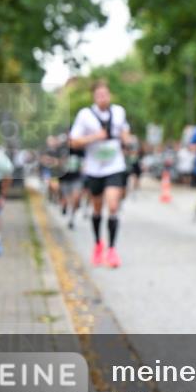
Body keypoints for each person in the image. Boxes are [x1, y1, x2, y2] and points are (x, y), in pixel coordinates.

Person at [69, 80, 132, 268]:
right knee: (97, 209)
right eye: (99, 95)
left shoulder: (119, 112)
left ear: (110, 95)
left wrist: (127, 139)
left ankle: (112, 250)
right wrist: (94, 137)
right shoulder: (85, 115)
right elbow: (73, 142)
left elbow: (125, 131)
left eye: (105, 94)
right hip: (94, 168)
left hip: (115, 165)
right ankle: (98, 243)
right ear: (94, 97)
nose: (103, 98)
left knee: (113, 206)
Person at [58, 130, 86, 229]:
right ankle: (65, 207)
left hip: (76, 178)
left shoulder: (80, 150)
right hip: (64, 178)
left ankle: (71, 218)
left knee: (76, 198)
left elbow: (84, 163)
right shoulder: (61, 149)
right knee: (67, 199)